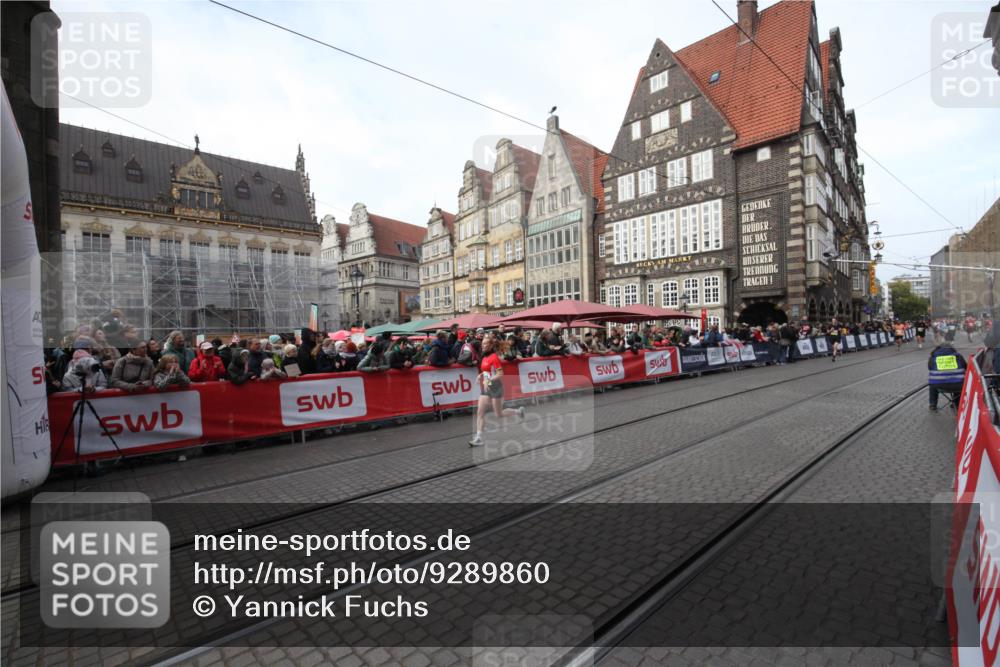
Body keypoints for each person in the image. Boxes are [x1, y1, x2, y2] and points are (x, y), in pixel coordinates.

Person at [469, 335, 525, 446]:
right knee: (480, 412)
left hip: (496, 387)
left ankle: (518, 411)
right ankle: (479, 438)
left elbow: (500, 374)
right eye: (482, 344)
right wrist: (480, 376)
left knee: (498, 414)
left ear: (491, 346)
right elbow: (487, 371)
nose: (483, 346)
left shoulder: (494, 357)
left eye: (485, 344)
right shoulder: (484, 357)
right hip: (487, 387)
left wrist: (488, 379)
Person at [928, 342, 968, 411]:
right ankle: (956, 403)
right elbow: (966, 367)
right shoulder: (958, 356)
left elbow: (930, 367)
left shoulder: (933, 357)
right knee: (958, 380)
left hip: (939, 385)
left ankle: (933, 404)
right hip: (958, 385)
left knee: (932, 385)